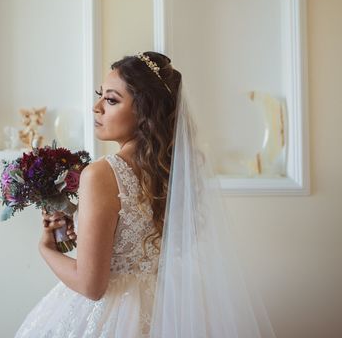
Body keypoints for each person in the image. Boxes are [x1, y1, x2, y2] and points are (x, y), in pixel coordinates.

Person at [15, 52, 276, 338]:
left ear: (144, 112)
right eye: (100, 95)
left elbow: (91, 286)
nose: (96, 107)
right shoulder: (170, 170)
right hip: (166, 308)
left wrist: (47, 250)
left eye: (111, 100)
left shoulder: (101, 174)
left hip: (113, 317)